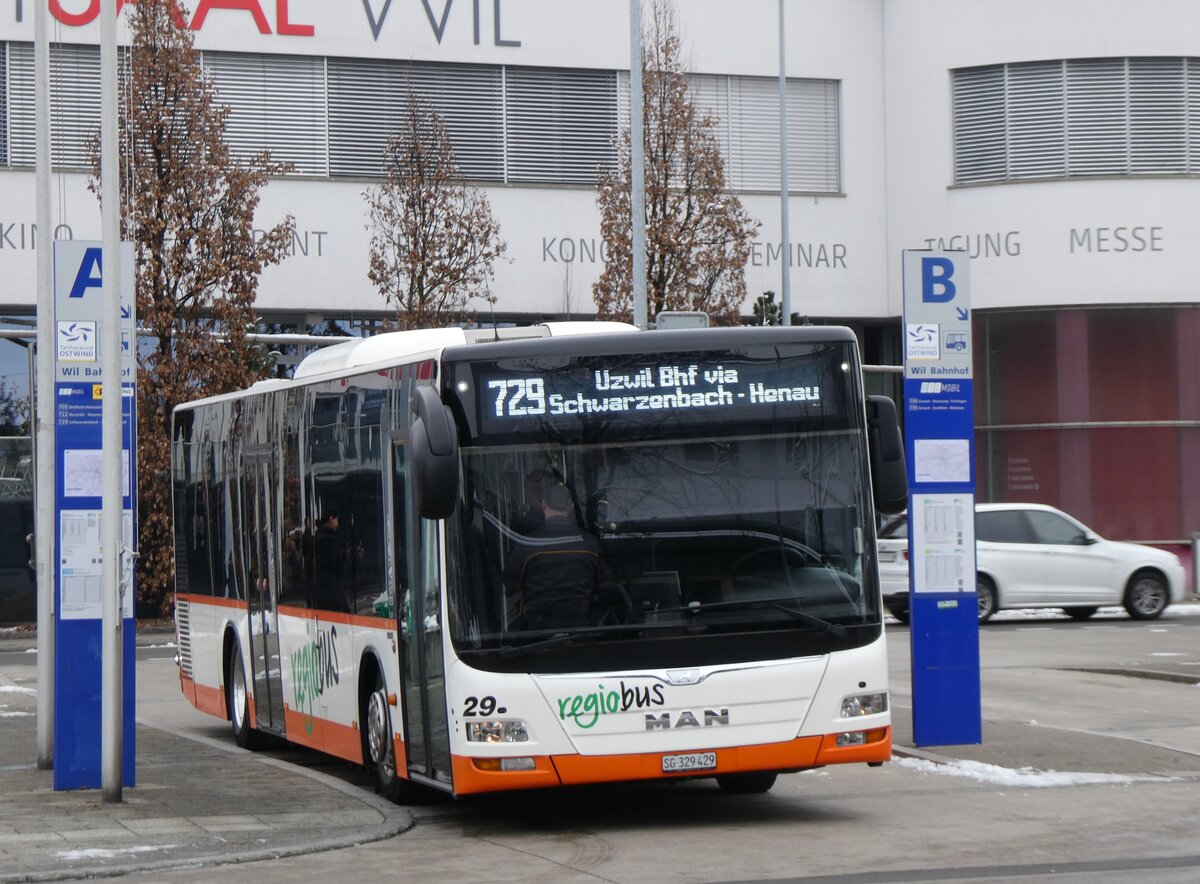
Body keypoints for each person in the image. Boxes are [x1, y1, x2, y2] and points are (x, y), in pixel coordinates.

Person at [505, 476, 600, 631]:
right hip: (580, 629)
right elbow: (603, 582)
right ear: (570, 506)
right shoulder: (590, 544)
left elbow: (510, 586)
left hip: (538, 632)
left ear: (544, 504)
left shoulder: (528, 544)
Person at [313, 508, 344, 610]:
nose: (337, 523)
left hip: (325, 591)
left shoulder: (321, 537)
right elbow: (334, 562)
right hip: (329, 593)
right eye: (337, 519)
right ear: (331, 519)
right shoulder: (326, 540)